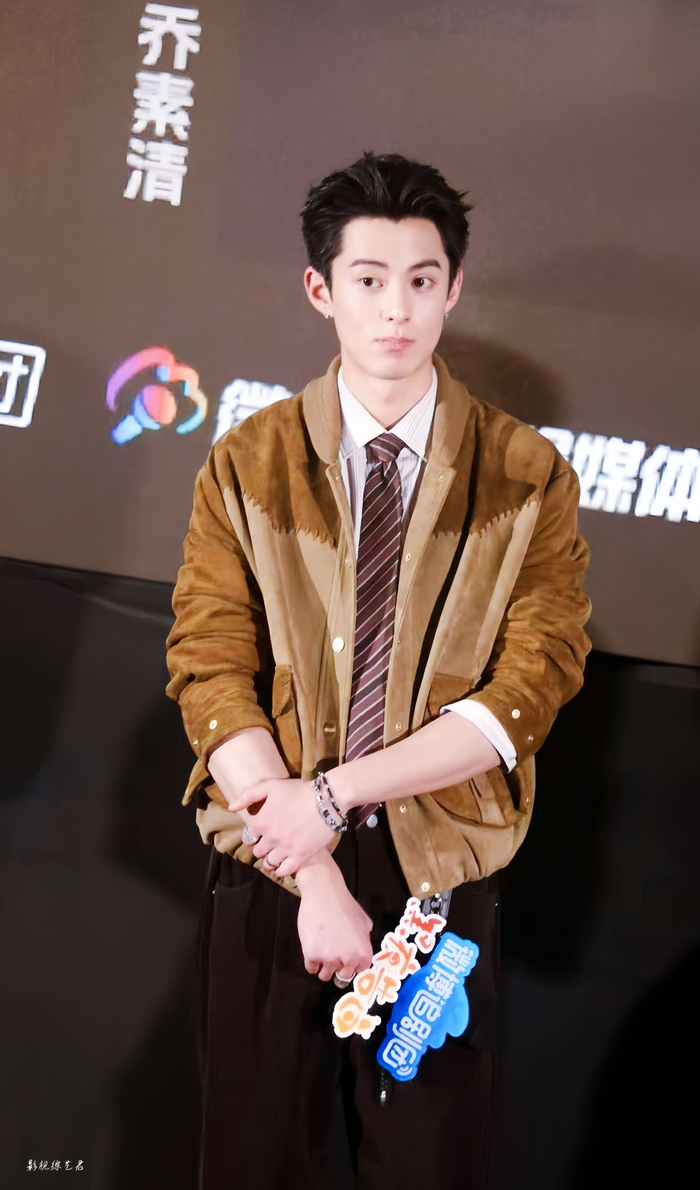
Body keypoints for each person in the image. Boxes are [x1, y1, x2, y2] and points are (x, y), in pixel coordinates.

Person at [165, 151, 592, 1190]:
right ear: (321, 290)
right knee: (254, 1159)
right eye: (368, 279)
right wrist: (311, 863)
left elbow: (528, 689)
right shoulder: (247, 461)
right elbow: (209, 667)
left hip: (438, 875)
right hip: (272, 864)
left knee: (427, 1166)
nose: (395, 308)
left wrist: (336, 794)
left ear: (453, 287)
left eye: (419, 279)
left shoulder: (526, 473)